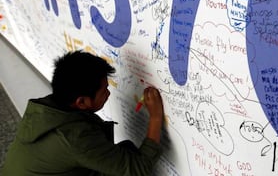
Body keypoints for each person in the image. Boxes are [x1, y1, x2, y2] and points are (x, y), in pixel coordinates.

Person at [2, 50, 164, 176]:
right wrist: (156, 118)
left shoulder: (47, 109)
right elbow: (138, 169)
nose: (108, 94)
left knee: (125, 151)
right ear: (81, 102)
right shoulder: (74, 138)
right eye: (104, 90)